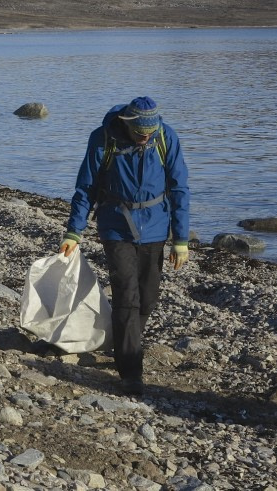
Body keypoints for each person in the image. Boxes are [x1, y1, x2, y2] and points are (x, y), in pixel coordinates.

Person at [58, 96, 190, 397]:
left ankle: (124, 340)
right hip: (115, 225)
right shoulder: (104, 139)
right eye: (141, 132)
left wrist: (180, 240)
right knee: (126, 294)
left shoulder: (165, 137)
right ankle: (131, 371)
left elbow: (180, 187)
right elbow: (86, 187)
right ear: (128, 123)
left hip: (156, 225)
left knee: (148, 297)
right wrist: (73, 232)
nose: (146, 137)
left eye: (150, 132)